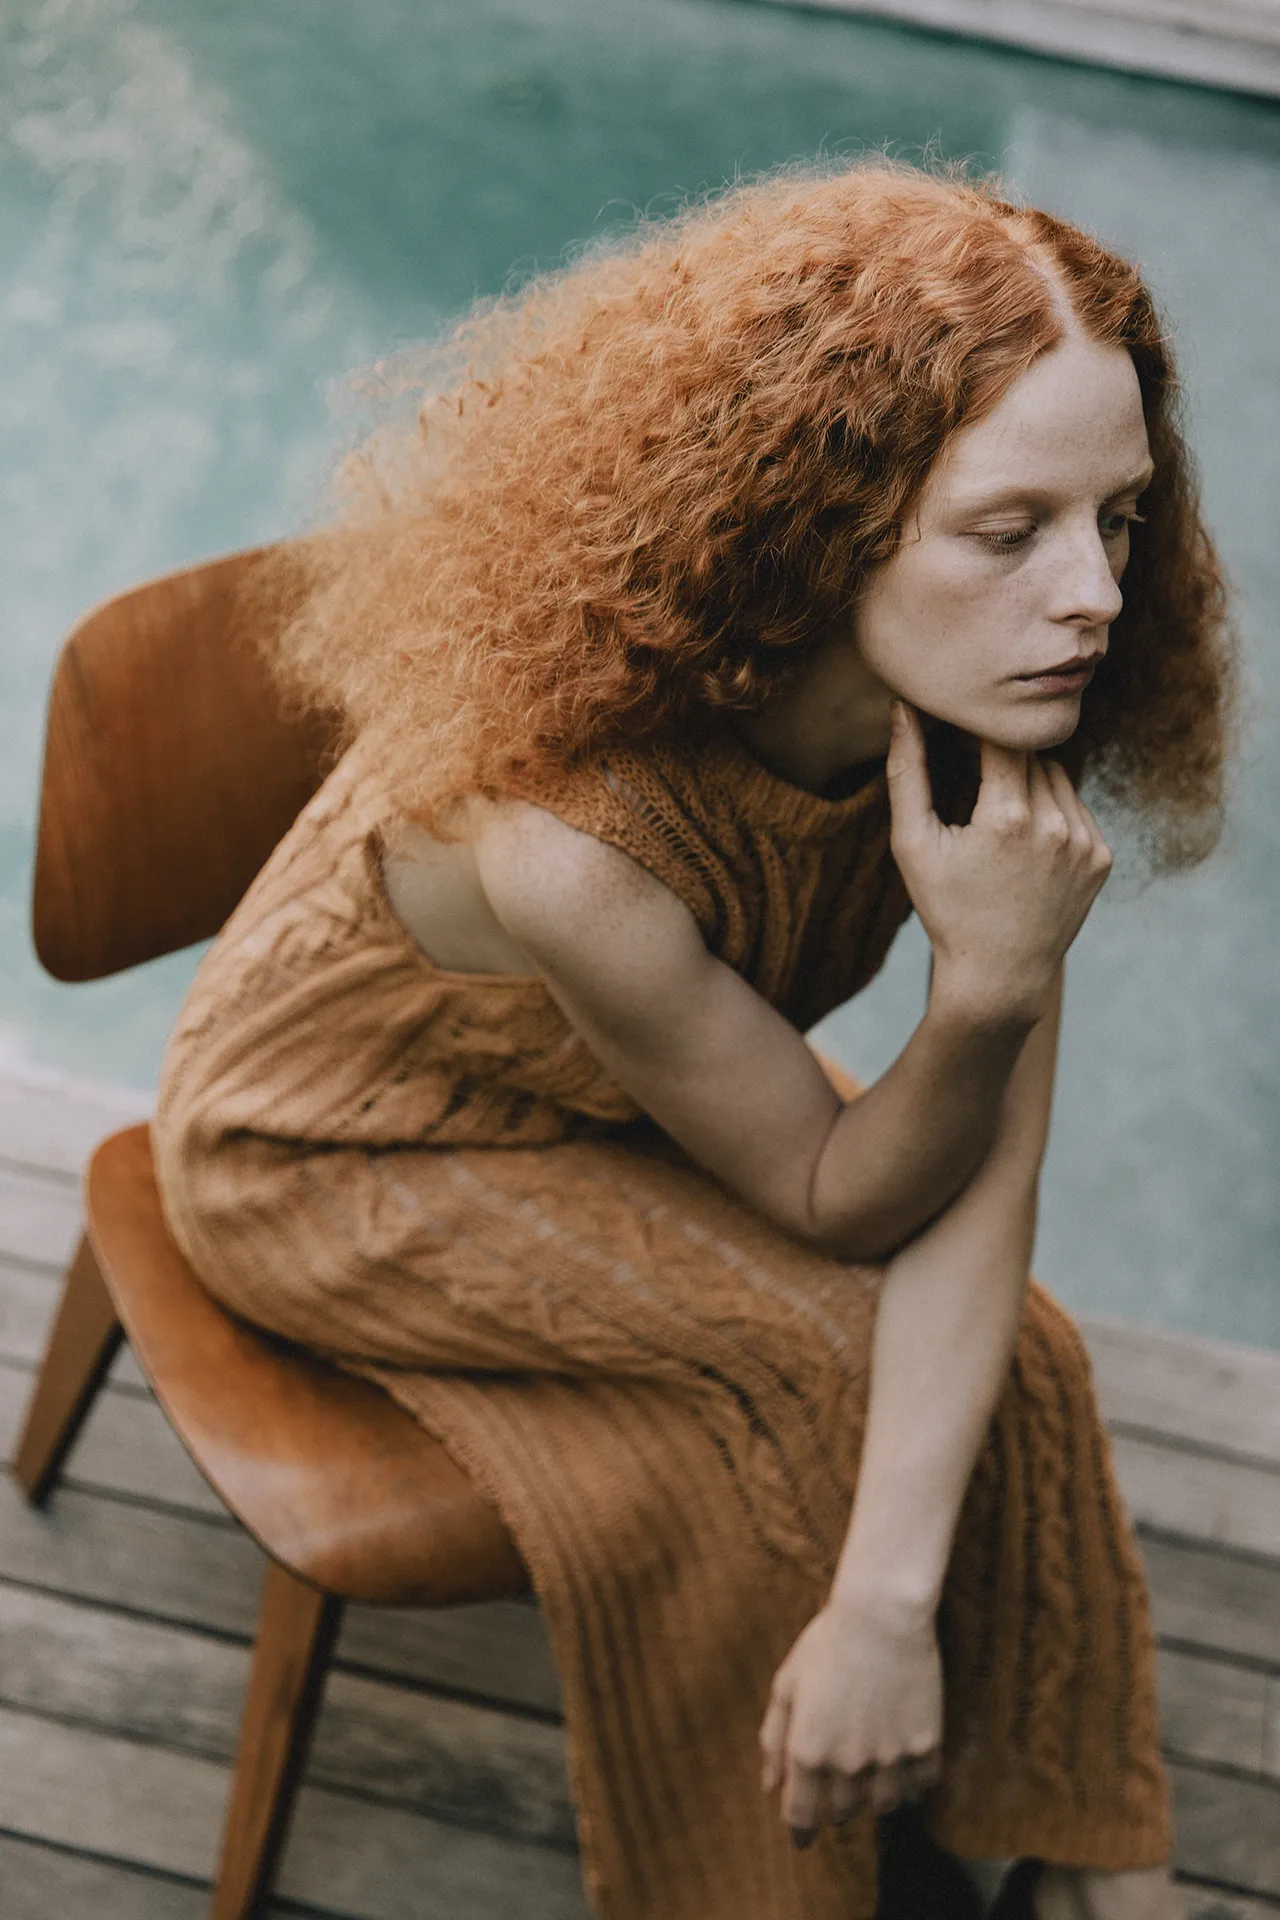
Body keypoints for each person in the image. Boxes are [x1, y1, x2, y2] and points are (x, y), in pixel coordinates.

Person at [151, 161, 1233, 1920]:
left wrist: (998, 984)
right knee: (805, 1387)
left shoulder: (993, 701)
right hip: (329, 1150)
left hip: (621, 1103)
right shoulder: (573, 837)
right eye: (1010, 527)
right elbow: (833, 1195)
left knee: (1017, 1359)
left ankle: (1098, 1873)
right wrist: (987, 992)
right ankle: (794, 1864)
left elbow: (974, 1192)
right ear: (822, 522)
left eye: (1116, 517)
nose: (1096, 594)